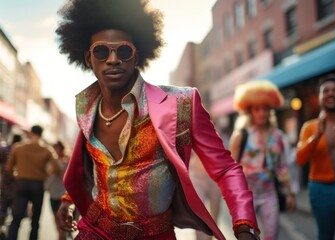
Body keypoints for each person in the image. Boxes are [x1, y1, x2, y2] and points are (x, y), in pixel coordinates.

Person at [54, 0, 260, 239]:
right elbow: (92, 166)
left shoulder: (181, 103)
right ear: (88, 59)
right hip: (95, 231)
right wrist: (68, 201)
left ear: (136, 56)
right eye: (101, 51)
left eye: (123, 50)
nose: (112, 59)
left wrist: (245, 225)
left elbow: (225, 168)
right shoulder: (87, 108)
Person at [229, 80, 296, 240]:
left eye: (265, 109)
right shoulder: (240, 135)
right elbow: (231, 170)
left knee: (272, 236)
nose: (262, 113)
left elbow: (282, 167)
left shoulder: (278, 136)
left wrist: (290, 193)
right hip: (246, 198)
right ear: (250, 111)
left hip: (269, 195)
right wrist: (233, 198)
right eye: (257, 109)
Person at [296, 74, 335, 240]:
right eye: (326, 91)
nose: (331, 94)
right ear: (319, 98)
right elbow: (300, 159)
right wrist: (316, 136)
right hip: (320, 189)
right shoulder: (309, 127)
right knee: (325, 236)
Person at [5, 125, 61, 240]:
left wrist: (16, 176)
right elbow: (57, 169)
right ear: (41, 134)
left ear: (30, 133)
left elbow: (9, 168)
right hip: (38, 185)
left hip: (21, 183)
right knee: (35, 220)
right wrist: (45, 176)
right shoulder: (46, 150)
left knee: (16, 218)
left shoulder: (19, 148)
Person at [45, 140, 70, 240]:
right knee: (56, 219)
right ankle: (61, 235)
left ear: (62, 149)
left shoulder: (66, 162)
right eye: (54, 148)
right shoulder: (49, 162)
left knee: (61, 220)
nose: (56, 151)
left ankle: (61, 237)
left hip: (63, 195)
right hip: (52, 195)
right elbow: (47, 177)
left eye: (58, 148)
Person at [0, 134, 22, 236]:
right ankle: (10, 230)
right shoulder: (20, 151)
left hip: (5, 181)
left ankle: (1, 227)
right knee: (14, 207)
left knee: (3, 205)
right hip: (16, 183)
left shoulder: (4, 149)